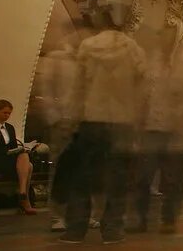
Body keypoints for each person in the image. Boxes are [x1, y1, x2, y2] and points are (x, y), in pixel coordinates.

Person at [60, 15, 147, 244]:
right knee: (118, 179)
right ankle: (112, 229)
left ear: (100, 24)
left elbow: (79, 87)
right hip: (122, 121)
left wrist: (72, 119)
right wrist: (139, 121)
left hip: (92, 119)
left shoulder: (88, 47)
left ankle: (75, 230)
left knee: (82, 177)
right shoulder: (134, 49)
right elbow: (144, 87)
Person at [129, 50, 183, 234]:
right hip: (151, 130)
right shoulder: (150, 67)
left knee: (173, 180)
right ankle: (140, 219)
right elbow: (141, 97)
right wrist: (137, 123)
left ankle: (169, 219)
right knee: (143, 177)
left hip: (174, 132)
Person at [0, 99, 38, 214]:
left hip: (9, 158)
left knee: (25, 157)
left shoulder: (10, 128)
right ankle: (24, 199)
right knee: (28, 166)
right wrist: (7, 151)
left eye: (9, 113)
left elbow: (14, 146)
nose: (7, 116)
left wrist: (20, 149)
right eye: (4, 113)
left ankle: (22, 194)